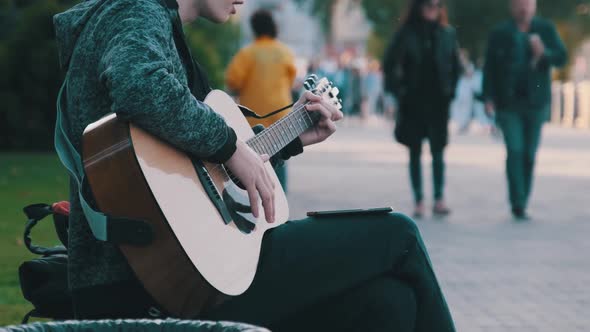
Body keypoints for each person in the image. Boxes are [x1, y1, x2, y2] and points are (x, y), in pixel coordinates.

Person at [53, 0, 456, 331]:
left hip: (176, 274)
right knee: (397, 234)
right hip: (148, 283)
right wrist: (231, 147)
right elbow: (139, 86)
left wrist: (290, 137)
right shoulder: (135, 11)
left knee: (389, 303)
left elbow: (193, 174)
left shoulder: (147, 23)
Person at [483, 0, 567, 219]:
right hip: (508, 103)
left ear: (535, 6)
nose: (524, 7)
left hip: (536, 103)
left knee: (529, 153)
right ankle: (517, 203)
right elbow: (489, 67)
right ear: (511, 6)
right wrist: (488, 97)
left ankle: (522, 199)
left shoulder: (545, 29)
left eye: (528, 3)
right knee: (515, 149)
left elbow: (561, 57)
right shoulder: (499, 33)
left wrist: (544, 53)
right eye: (520, 3)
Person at [383, 0, 461, 218]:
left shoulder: (447, 34)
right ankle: (418, 199)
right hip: (413, 103)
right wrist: (399, 93)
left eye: (437, 5)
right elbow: (389, 65)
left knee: (438, 151)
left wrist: (450, 92)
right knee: (415, 151)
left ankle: (438, 198)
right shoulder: (406, 34)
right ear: (418, 6)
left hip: (438, 103)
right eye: (428, 4)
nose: (433, 9)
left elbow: (455, 66)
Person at [225, 9, 296, 191]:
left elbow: (233, 80)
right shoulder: (285, 52)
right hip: (281, 114)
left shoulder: (248, 53)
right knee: (280, 156)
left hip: (255, 117)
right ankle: (280, 196)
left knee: (255, 156)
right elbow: (291, 78)